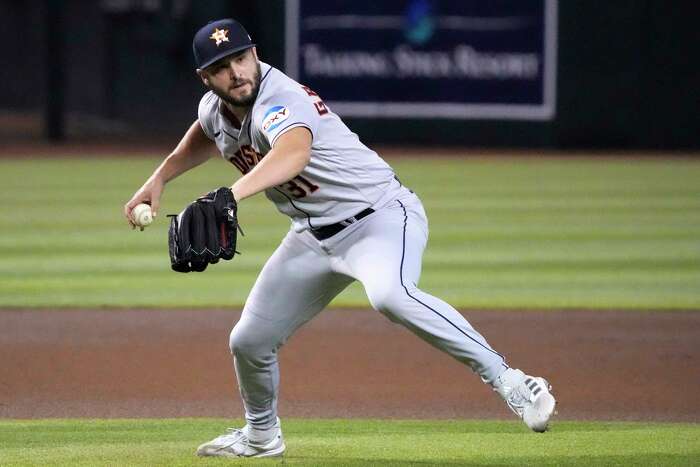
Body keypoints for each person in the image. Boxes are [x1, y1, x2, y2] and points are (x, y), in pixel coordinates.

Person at [124, 18, 556, 458]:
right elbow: (206, 134)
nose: (237, 72)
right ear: (206, 78)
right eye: (222, 67)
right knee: (248, 340)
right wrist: (159, 179)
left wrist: (230, 195)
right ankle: (261, 435)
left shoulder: (280, 97)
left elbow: (293, 151)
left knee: (391, 295)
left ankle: (515, 382)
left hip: (380, 218)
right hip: (312, 236)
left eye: (241, 58)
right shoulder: (215, 108)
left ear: (254, 53)